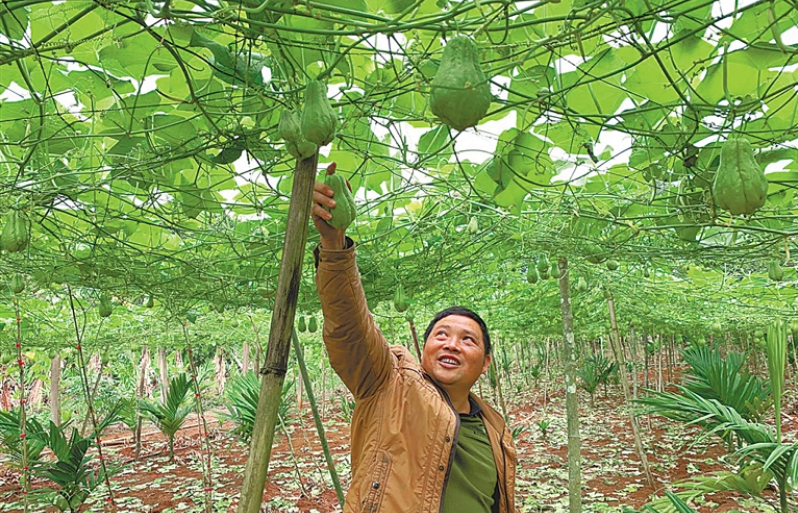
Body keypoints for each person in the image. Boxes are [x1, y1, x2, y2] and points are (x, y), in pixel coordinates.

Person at [310, 173, 517, 513]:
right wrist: (334, 246)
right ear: (423, 351)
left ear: (486, 362)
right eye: (441, 335)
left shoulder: (494, 427)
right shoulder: (388, 384)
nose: (452, 344)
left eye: (468, 340)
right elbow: (349, 327)